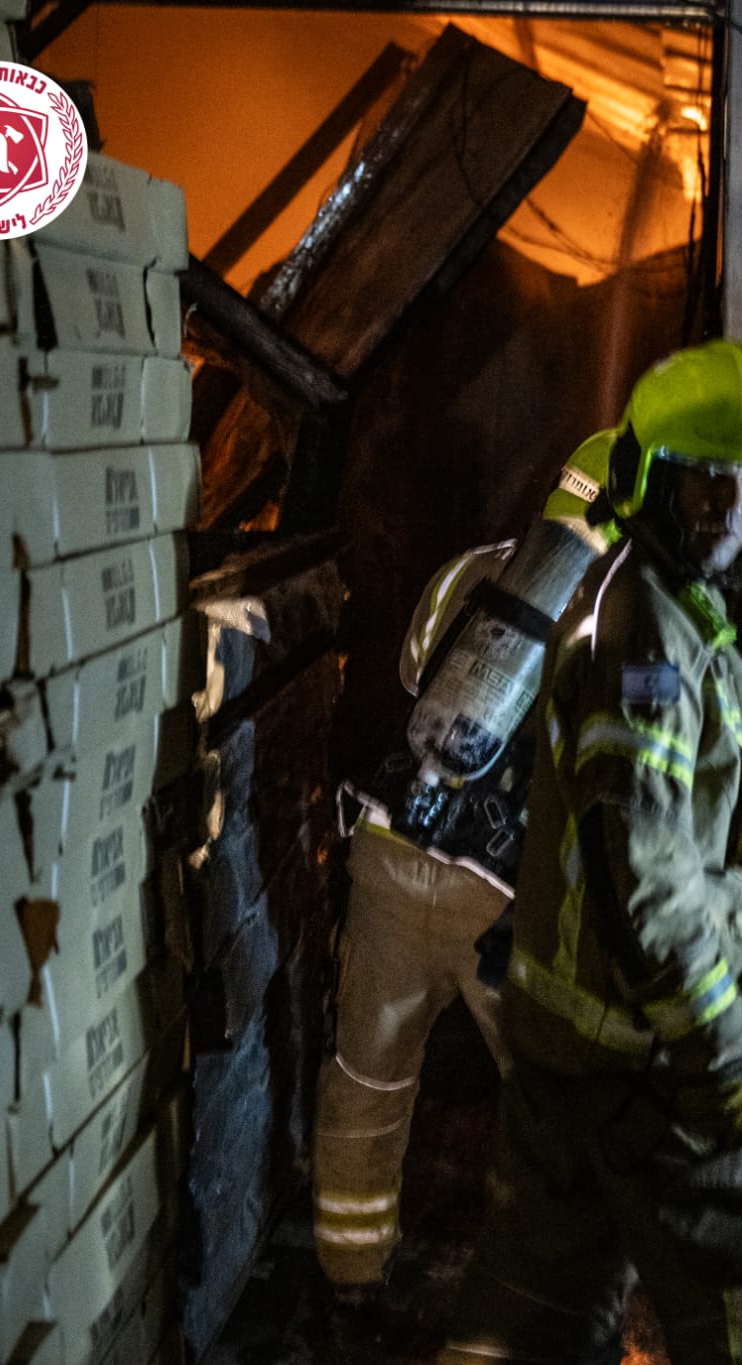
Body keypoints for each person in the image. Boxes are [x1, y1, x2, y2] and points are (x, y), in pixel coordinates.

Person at [442, 339, 742, 1365]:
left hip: (573, 1048)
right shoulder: (649, 634)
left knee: (529, 1314)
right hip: (659, 1059)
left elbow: (695, 802)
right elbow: (648, 876)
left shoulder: (698, 612)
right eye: (701, 475)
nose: (725, 503)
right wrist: (721, 1054)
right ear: (650, 480)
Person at [313, 430, 618, 1309]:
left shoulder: (472, 568)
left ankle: (350, 1281)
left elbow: (415, 670)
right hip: (502, 896)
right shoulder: (621, 608)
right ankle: (553, 1299)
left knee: (367, 1076)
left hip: (389, 852)